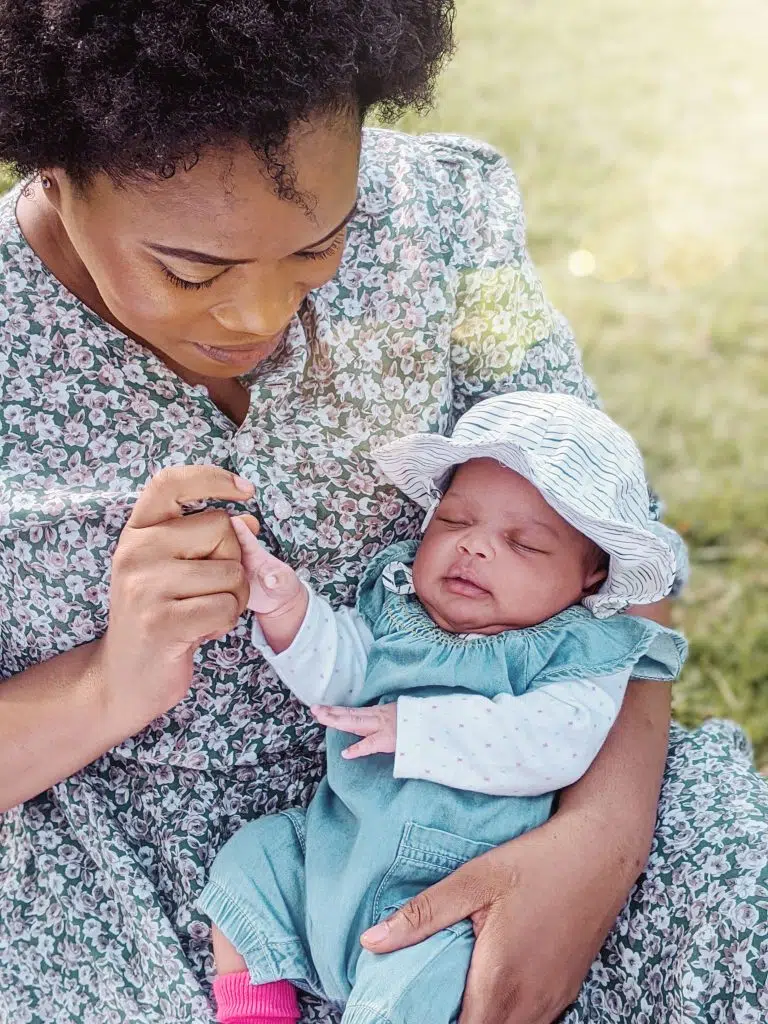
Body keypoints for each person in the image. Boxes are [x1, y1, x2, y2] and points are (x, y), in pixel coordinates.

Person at [0, 3, 765, 1023]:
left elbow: (617, 552)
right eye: (192, 269)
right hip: (114, 886)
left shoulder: (444, 225)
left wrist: (592, 847)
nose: (260, 318)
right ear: (53, 167)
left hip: (514, 804)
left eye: (322, 246)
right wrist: (113, 676)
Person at [197, 391, 688, 1024]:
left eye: (525, 545)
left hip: (444, 891)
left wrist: (417, 730)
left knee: (415, 988)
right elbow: (343, 675)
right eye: (455, 521)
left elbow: (554, 742)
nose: (474, 548)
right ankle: (257, 1013)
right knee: (252, 860)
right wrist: (291, 612)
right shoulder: (402, 610)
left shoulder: (576, 650)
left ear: (589, 577)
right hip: (332, 854)